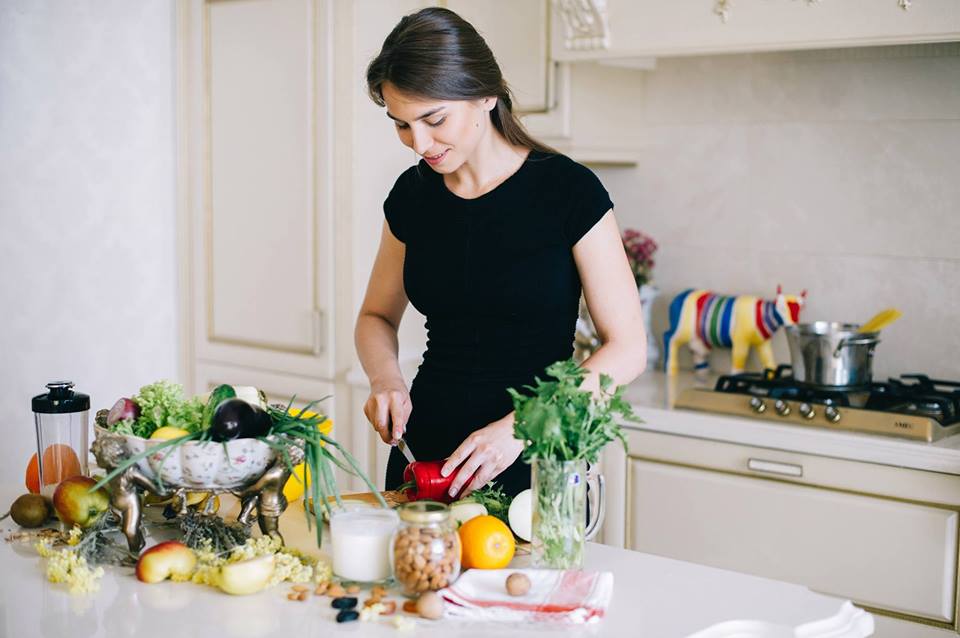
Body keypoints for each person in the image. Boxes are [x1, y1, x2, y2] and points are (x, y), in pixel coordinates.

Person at [355, 7, 646, 500]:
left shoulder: (569, 191)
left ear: (486, 95)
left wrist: (520, 428)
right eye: (401, 125)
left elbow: (627, 349)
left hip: (536, 454)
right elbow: (376, 316)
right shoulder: (412, 196)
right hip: (427, 455)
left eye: (433, 119)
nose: (418, 143)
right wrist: (386, 379)